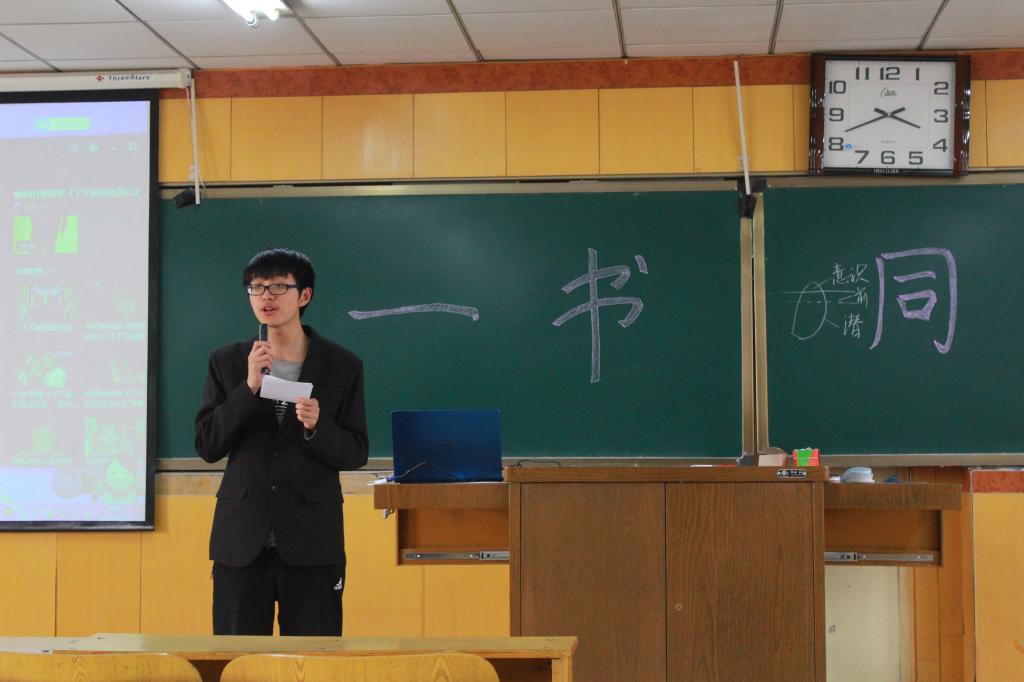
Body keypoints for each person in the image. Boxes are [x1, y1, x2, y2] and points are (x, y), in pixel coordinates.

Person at [195, 247, 368, 636]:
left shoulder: (342, 365)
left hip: (312, 542)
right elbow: (208, 444)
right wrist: (248, 388)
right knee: (238, 659)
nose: (265, 297)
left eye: (277, 286)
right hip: (242, 542)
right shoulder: (227, 362)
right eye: (256, 288)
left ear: (304, 295)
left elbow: (356, 451)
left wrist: (318, 427)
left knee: (313, 659)